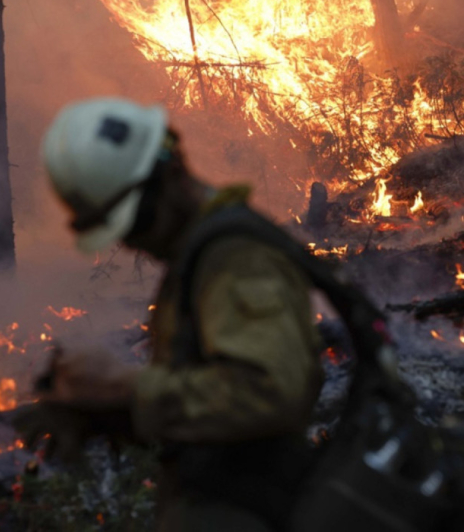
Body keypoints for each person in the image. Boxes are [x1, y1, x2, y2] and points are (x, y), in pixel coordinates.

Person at [16, 97, 323, 531]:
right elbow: (210, 405)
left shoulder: (237, 259)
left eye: (136, 220)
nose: (131, 242)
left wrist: (130, 389)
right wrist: (104, 413)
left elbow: (268, 394)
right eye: (118, 229)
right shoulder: (198, 258)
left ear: (173, 171)